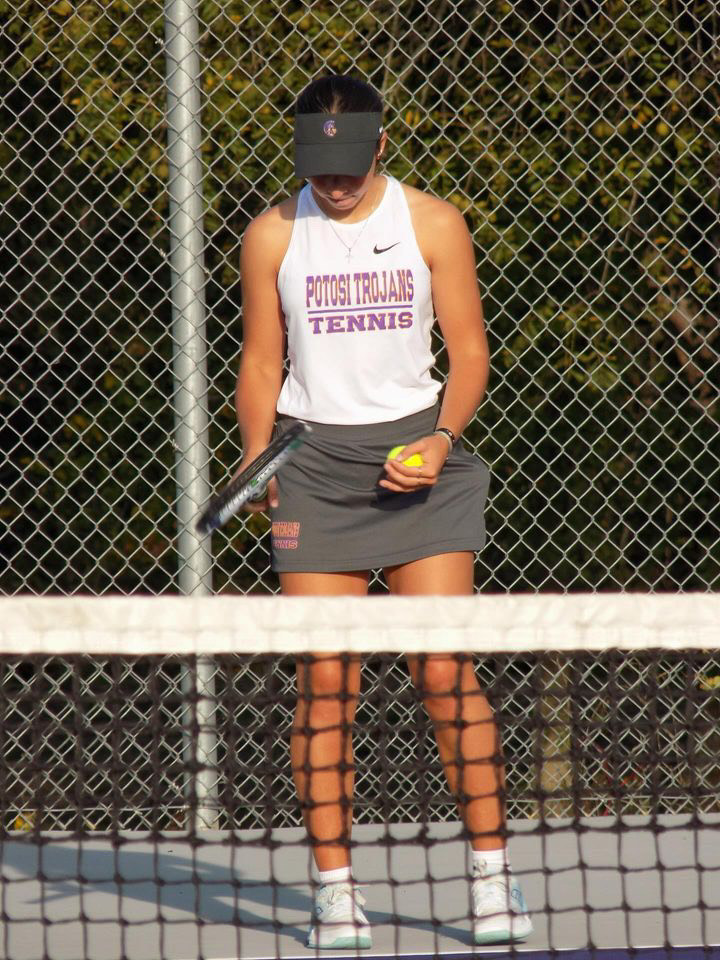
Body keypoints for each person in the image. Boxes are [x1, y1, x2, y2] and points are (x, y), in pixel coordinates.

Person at [234, 73, 532, 950]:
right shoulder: (271, 236)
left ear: (380, 147)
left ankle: (491, 881)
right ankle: (334, 891)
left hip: (421, 461)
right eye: (318, 167)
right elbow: (260, 360)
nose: (334, 182)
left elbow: (469, 350)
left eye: (349, 164)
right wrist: (258, 455)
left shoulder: (432, 222)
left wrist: (440, 439)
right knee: (326, 684)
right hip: (315, 467)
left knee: (443, 672)